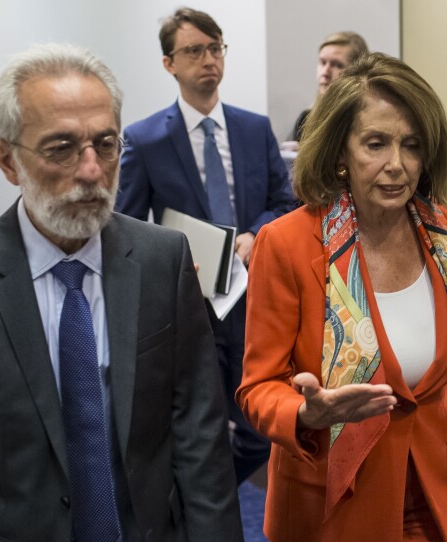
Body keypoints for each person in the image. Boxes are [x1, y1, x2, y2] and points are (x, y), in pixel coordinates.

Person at [0, 43, 243, 541]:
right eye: (61, 148)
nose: (92, 170)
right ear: (7, 161)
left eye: (106, 144)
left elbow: (199, 437)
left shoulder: (164, 260)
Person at [237, 53, 447, 541]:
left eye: (412, 145)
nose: (396, 165)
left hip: (432, 490)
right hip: (332, 499)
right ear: (341, 152)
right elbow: (258, 388)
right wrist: (306, 413)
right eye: (376, 144)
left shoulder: (446, 232)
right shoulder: (287, 244)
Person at [116, 7, 294, 485]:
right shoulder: (145, 139)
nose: (208, 60)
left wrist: (256, 233)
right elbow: (126, 228)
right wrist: (170, 260)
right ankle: (200, 514)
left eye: (215, 49)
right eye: (194, 51)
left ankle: (206, 496)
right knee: (200, 429)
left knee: (260, 433)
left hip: (255, 303)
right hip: (189, 306)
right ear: (169, 63)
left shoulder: (255, 129)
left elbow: (285, 202)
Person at [289, 31, 368, 143]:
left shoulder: (367, 120)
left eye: (337, 65)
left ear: (358, 71)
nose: (325, 72)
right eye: (322, 62)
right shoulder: (306, 120)